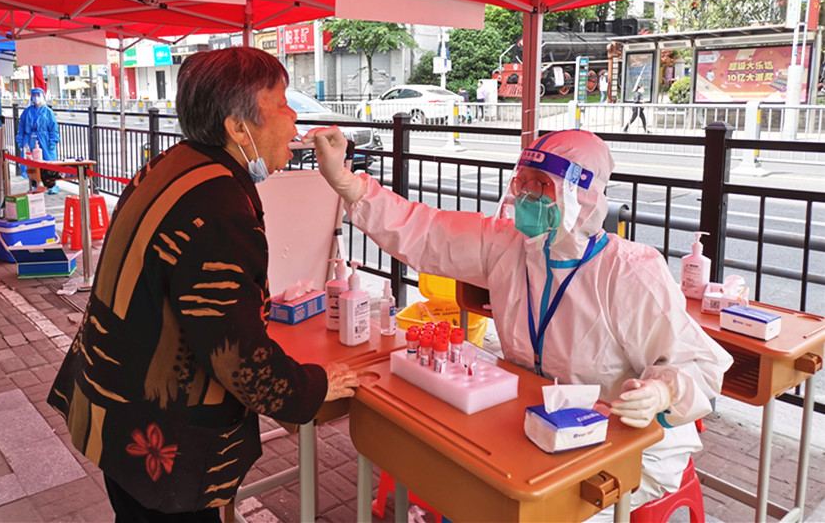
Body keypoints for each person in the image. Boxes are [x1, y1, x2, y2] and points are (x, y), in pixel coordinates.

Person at [305, 126, 732, 520]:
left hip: (620, 445)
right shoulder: (512, 246)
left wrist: (662, 391)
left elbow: (699, 364)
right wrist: (349, 185)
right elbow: (429, 232)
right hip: (536, 423)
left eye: (541, 184)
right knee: (468, 483)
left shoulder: (628, 271)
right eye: (523, 181)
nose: (526, 195)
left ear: (580, 194)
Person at [47, 47, 359, 522]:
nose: (295, 117)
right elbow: (236, 356)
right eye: (281, 103)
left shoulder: (175, 164)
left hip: (115, 408)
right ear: (239, 128)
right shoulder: (218, 206)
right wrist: (312, 387)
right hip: (161, 441)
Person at [16, 87, 61, 192]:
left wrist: (52, 141)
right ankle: (34, 185)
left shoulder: (48, 112)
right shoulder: (27, 112)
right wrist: (20, 140)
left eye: (38, 95)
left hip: (45, 140)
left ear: (43, 97)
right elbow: (21, 127)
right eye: (34, 95)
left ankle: (51, 185)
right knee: (31, 163)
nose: (36, 97)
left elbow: (54, 128)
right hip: (29, 140)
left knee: (48, 162)